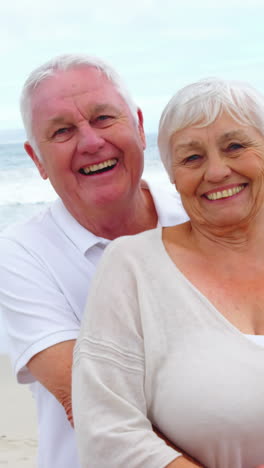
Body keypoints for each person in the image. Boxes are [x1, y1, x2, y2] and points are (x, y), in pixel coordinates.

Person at [0, 54, 188, 468]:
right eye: (62, 131)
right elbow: (88, 403)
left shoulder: (202, 214)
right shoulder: (21, 253)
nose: (90, 142)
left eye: (104, 118)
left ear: (139, 126)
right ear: (36, 161)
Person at [72, 77, 264, 468]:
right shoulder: (133, 266)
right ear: (174, 177)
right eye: (192, 158)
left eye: (235, 146)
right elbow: (106, 430)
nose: (216, 171)